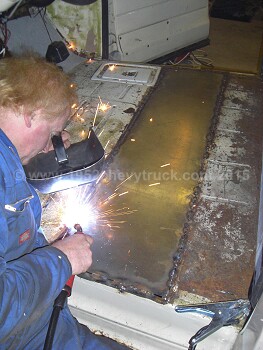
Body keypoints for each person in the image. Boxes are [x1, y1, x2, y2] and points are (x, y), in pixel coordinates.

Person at [0, 54, 129, 349]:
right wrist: (62, 259)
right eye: (54, 132)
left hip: (42, 324)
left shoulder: (7, 156)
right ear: (28, 113)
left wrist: (47, 248)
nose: (53, 143)